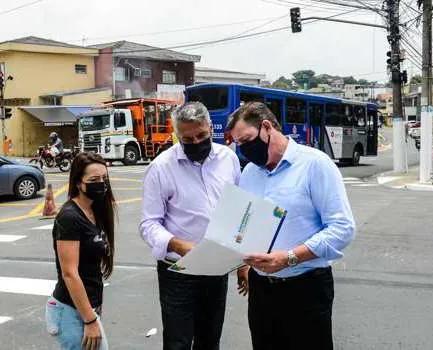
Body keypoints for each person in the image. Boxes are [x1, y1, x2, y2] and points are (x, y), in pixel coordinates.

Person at [227, 102, 355, 350]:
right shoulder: (250, 173)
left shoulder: (315, 164)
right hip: (262, 290)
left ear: (266, 127)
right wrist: (240, 259)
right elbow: (245, 226)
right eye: (238, 144)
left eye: (246, 140)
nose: (243, 150)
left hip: (306, 288)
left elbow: (342, 228)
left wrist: (289, 258)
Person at [140, 102, 241, 350]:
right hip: (178, 270)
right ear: (177, 135)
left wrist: (242, 262)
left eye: (202, 135)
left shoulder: (228, 158)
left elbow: (237, 209)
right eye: (188, 138)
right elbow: (148, 223)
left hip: (217, 267)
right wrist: (176, 244)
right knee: (178, 342)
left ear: (209, 128)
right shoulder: (162, 167)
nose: (196, 142)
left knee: (210, 339)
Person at [45, 152, 116, 350]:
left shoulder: (95, 210)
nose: (101, 184)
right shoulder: (69, 218)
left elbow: (91, 267)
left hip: (86, 307)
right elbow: (69, 273)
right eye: (94, 180)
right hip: (70, 311)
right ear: (78, 183)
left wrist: (94, 307)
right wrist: (89, 320)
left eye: (104, 178)